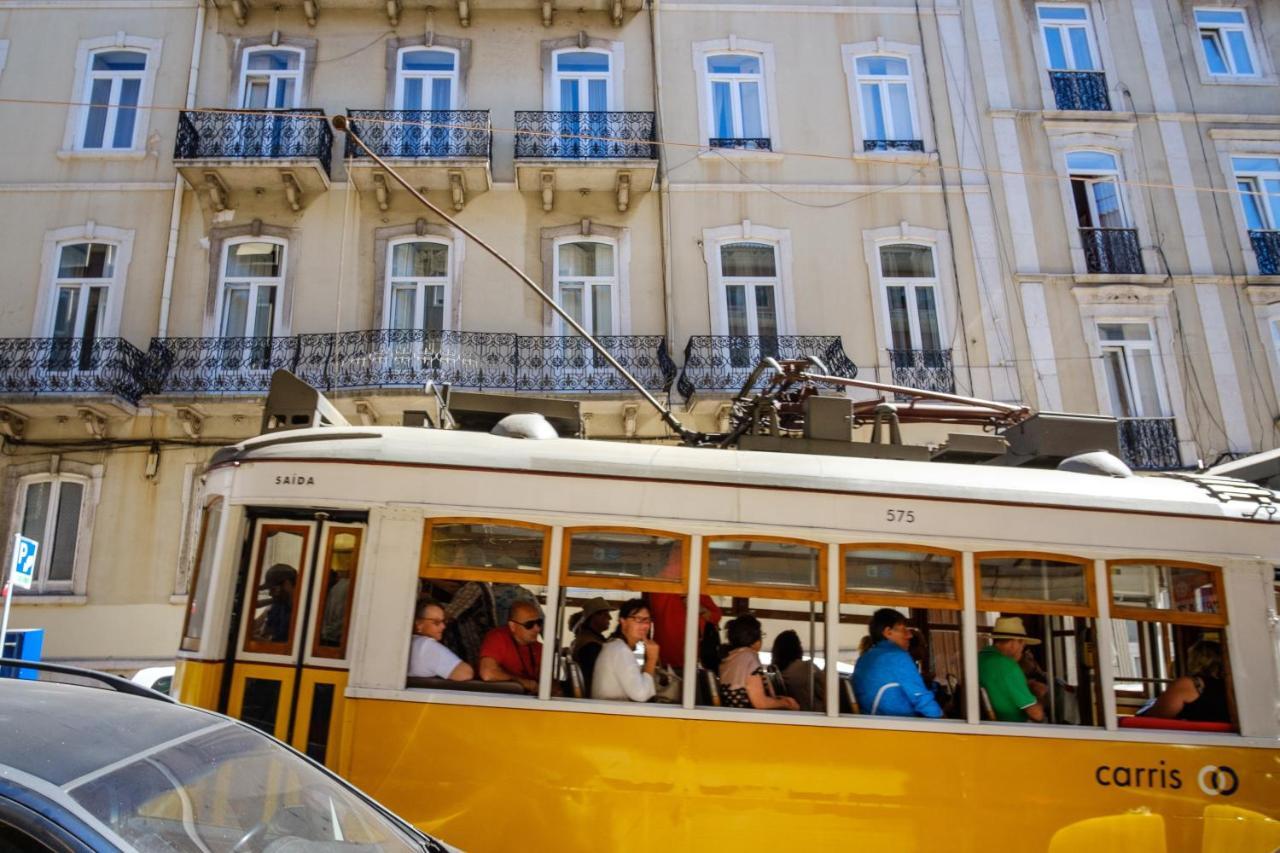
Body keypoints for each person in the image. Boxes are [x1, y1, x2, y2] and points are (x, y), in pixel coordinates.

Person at [851, 608, 943, 718]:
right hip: (896, 727)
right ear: (888, 632)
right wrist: (943, 721)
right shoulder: (897, 656)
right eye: (904, 629)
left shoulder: (864, 658)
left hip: (874, 722)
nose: (910, 635)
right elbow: (920, 697)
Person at [718, 615, 800, 711]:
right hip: (748, 718)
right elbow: (760, 703)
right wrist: (787, 703)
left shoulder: (729, 658)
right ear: (754, 639)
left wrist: (778, 699)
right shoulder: (749, 657)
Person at [1139, 639, 1229, 722]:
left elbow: (1155, 717)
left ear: (1195, 660)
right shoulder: (1232, 684)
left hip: (1192, 737)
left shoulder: (1189, 684)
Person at [978, 616, 1046, 723]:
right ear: (1014, 643)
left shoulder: (980, 658)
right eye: (1023, 644)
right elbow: (1037, 715)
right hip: (1012, 728)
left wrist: (1027, 686)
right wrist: (1039, 695)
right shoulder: (1008, 666)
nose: (1022, 649)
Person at [591, 599, 660, 702]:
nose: (645, 625)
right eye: (638, 619)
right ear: (623, 622)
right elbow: (641, 695)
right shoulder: (620, 650)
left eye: (647, 620)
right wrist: (652, 659)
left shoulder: (617, 646)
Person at [478, 600, 545, 693]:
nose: (537, 628)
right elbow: (488, 673)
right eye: (529, 625)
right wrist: (523, 682)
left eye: (539, 623)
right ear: (512, 626)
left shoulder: (540, 648)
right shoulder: (498, 637)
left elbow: (548, 682)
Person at [649, 592, 722, 670]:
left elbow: (716, 616)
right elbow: (716, 617)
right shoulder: (694, 589)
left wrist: (696, 606)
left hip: (673, 655)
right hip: (671, 656)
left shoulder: (694, 589)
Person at [408, 602, 474, 681]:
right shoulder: (427, 645)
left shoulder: (408, 641)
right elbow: (465, 674)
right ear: (418, 624)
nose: (443, 626)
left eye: (444, 621)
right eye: (436, 622)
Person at [442, 580, 497, 667]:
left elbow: (447, 615)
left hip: (472, 648)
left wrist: (429, 604)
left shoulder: (475, 587)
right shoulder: (473, 585)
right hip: (474, 648)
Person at [770, 630, 825, 712]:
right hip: (814, 713)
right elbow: (827, 689)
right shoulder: (807, 667)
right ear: (796, 647)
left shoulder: (779, 672)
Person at [570, 597, 613, 693]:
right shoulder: (591, 646)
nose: (610, 618)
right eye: (606, 614)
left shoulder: (588, 638)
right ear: (594, 617)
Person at [253, 564, 296, 644]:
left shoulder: (302, 612)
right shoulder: (278, 605)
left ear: (287, 584)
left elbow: (287, 648)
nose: (270, 593)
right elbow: (267, 631)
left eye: (273, 589)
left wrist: (262, 642)